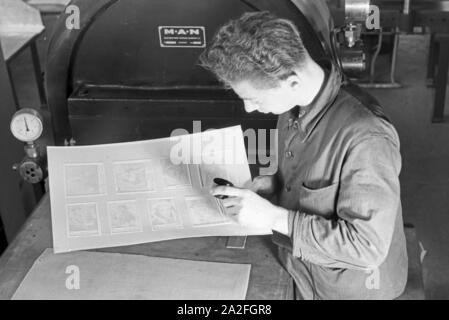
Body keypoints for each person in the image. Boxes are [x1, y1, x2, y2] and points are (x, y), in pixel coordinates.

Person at [199, 11, 408, 299]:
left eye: (254, 98)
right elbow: (316, 183)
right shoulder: (294, 103)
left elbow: (367, 247)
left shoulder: (367, 137)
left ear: (292, 81)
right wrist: (273, 185)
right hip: (298, 267)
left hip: (348, 290)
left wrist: (272, 217)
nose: (248, 108)